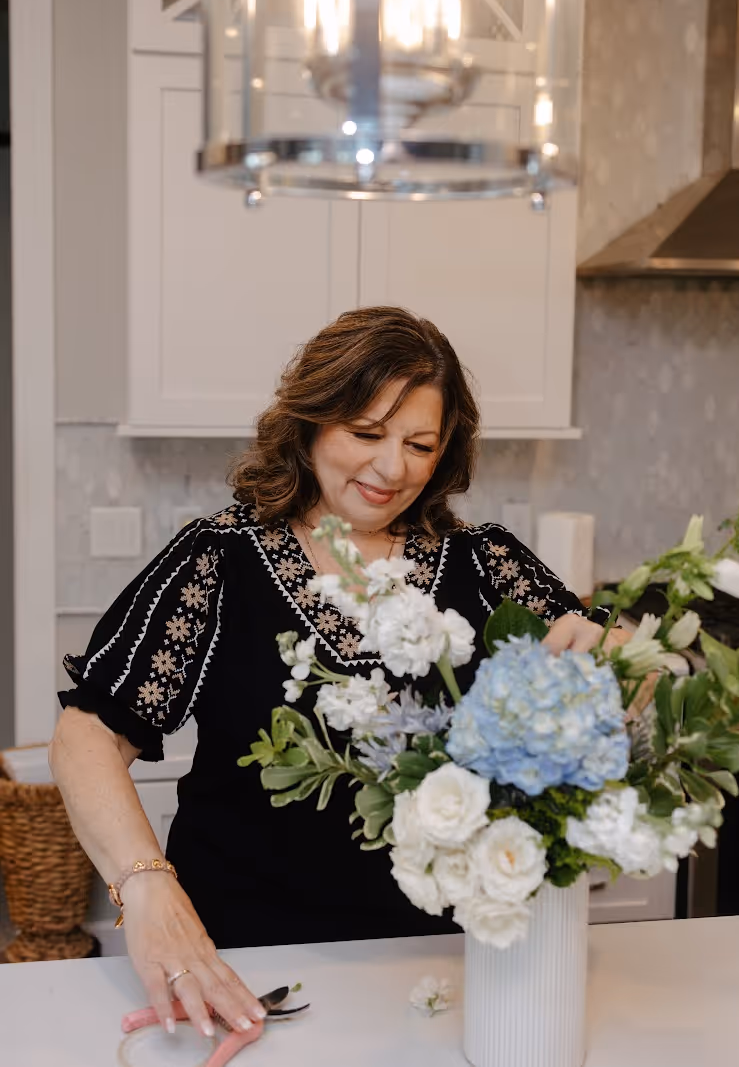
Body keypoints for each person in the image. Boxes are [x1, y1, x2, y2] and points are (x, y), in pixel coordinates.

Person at [50, 306, 625, 1040]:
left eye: (421, 443)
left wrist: (615, 662)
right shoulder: (218, 562)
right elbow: (87, 735)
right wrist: (149, 891)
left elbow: (620, 660)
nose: (393, 469)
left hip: (443, 967)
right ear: (310, 423)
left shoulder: (483, 564)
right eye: (365, 434)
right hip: (241, 964)